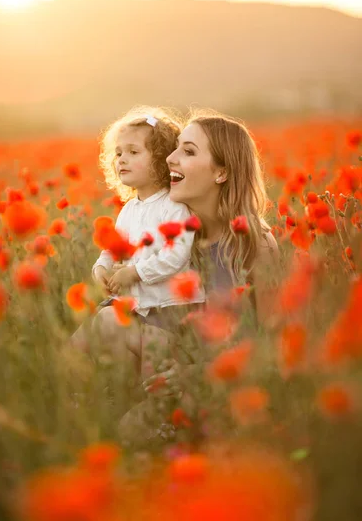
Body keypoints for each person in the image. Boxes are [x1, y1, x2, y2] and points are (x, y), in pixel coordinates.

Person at [118, 109, 280, 444]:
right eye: (175, 148)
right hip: (164, 383)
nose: (171, 159)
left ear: (221, 172)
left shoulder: (254, 246)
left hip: (229, 395)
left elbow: (274, 346)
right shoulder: (172, 244)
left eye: (188, 152)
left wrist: (198, 374)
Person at [71, 106, 205, 402]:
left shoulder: (174, 205)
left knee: (152, 379)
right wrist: (101, 268)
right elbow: (112, 247)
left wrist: (135, 272)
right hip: (137, 304)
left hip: (169, 307)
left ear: (159, 159)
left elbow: (177, 256)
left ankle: (161, 420)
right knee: (84, 340)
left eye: (133, 152)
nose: (122, 159)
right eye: (118, 153)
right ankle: (80, 394)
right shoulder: (130, 209)